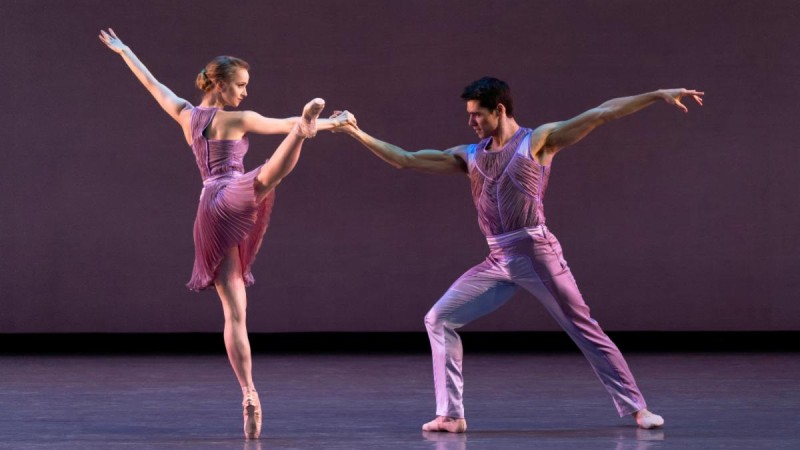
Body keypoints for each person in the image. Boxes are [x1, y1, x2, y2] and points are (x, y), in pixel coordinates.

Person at [334, 77, 703, 432]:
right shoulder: (470, 155)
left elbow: (602, 113)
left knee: (583, 327)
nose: (471, 122)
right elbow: (405, 159)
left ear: (499, 109)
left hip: (537, 254)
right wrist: (356, 132)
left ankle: (638, 408)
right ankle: (450, 416)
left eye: (477, 114)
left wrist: (657, 94)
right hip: (498, 259)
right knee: (438, 318)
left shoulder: (538, 141)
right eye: (469, 115)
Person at [99, 28, 352, 439]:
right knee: (266, 176)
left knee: (235, 313)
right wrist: (329, 123)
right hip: (231, 193)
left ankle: (249, 394)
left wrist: (126, 50)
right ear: (219, 84)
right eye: (240, 85)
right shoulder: (237, 119)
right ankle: (303, 135)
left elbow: (152, 84)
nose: (245, 93)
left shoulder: (184, 114)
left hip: (207, 211)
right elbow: (282, 121)